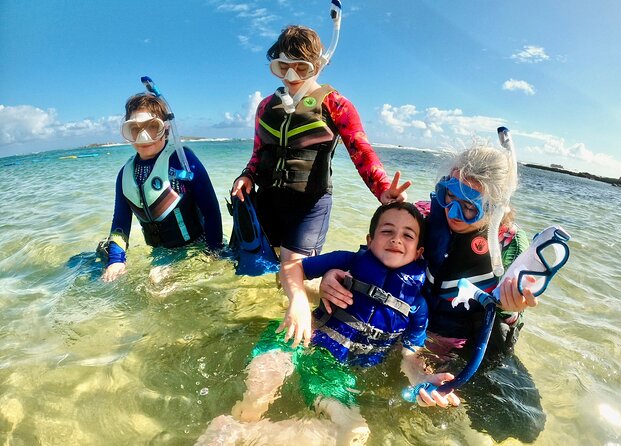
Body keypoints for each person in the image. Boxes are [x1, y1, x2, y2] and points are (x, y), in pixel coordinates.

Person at [319, 143, 547, 441]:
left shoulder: (508, 245)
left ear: (494, 208)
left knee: (522, 425)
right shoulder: (424, 216)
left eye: (469, 207)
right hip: (410, 328)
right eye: (449, 196)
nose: (453, 212)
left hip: (464, 343)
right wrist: (331, 275)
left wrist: (514, 307)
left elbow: (510, 311)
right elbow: (376, 256)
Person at [202, 203, 459, 445]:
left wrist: (423, 379)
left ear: (419, 252)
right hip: (295, 338)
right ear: (370, 241)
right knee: (253, 404)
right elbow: (291, 268)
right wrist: (299, 302)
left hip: (332, 370)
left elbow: (410, 354)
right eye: (387, 231)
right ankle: (242, 423)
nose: (396, 239)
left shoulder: (417, 306)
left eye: (408, 235)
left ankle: (241, 432)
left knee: (354, 433)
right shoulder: (348, 261)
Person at [230, 25, 410, 264]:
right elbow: (258, 153)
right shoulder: (265, 107)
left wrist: (383, 188)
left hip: (310, 204)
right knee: (252, 265)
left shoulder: (336, 104)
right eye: (283, 67)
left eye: (301, 68)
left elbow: (361, 150)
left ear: (318, 66)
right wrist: (247, 176)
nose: (291, 77)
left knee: (293, 269)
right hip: (268, 201)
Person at [100, 93, 223, 282]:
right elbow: (120, 223)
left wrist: (213, 252)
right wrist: (116, 261)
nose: (143, 136)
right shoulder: (124, 175)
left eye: (152, 127)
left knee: (156, 280)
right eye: (134, 129)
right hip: (160, 253)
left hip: (197, 247)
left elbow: (211, 211)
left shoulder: (184, 161)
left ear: (165, 129)